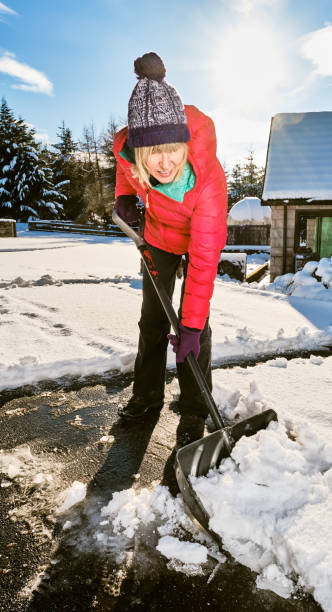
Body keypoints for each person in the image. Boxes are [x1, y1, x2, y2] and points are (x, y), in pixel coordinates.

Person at [113, 52, 227, 448]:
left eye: (172, 149)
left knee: (195, 326)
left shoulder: (208, 183)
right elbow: (127, 168)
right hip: (159, 237)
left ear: (184, 139)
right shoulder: (128, 149)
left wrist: (191, 326)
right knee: (152, 320)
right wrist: (125, 195)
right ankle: (145, 397)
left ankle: (195, 409)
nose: (163, 163)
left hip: (197, 240)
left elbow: (205, 260)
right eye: (151, 154)